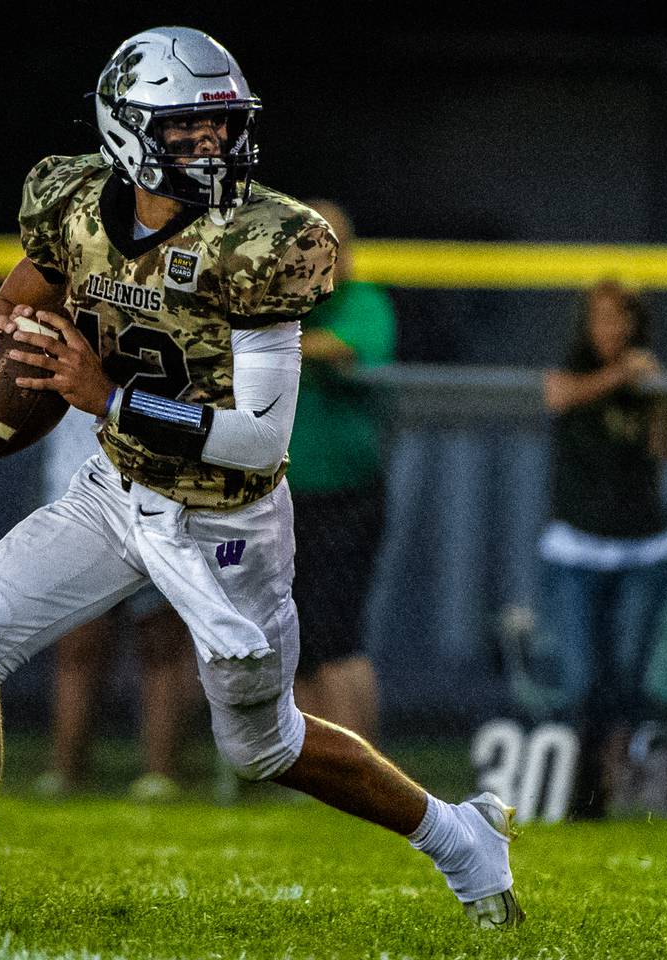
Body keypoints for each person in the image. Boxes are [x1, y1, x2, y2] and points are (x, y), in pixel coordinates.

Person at [0, 27, 522, 929]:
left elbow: (259, 443)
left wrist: (105, 397)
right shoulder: (71, 200)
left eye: (222, 126)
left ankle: (459, 837)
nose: (212, 145)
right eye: (187, 129)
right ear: (129, 129)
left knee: (265, 747)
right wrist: (10, 320)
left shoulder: (263, 240)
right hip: (115, 494)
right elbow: (39, 271)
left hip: (226, 523)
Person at [540, 279, 667, 818]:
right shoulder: (574, 369)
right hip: (579, 546)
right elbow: (557, 396)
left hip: (644, 547)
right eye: (602, 318)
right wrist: (618, 376)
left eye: (622, 318)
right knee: (583, 676)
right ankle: (587, 784)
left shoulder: (649, 379)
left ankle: (615, 781)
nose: (612, 329)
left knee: (627, 671)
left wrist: (660, 392)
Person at [34, 408, 196, 801]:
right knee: (77, 643)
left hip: (158, 499)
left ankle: (160, 773)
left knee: (160, 643)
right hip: (77, 499)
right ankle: (65, 770)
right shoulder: (65, 344)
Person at [287, 200, 394, 742]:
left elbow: (345, 348)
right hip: (282, 495)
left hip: (346, 495)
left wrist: (275, 338)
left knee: (338, 637)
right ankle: (322, 772)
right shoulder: (281, 305)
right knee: (297, 642)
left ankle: (366, 771)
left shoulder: (362, 301)